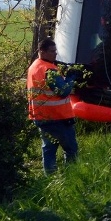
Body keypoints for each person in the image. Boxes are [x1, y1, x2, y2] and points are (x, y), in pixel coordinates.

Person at [26, 38, 78, 174]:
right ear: (42, 52)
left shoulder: (34, 66)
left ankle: (50, 177)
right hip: (58, 118)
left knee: (48, 149)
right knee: (71, 149)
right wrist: (71, 78)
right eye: (52, 51)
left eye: (56, 51)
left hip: (41, 116)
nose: (55, 54)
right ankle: (72, 176)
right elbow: (63, 91)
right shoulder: (49, 70)